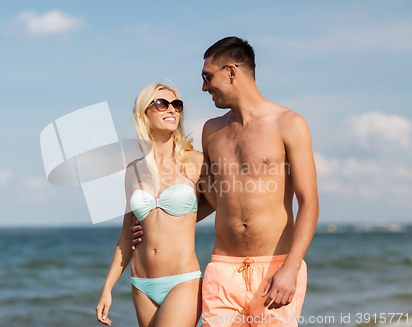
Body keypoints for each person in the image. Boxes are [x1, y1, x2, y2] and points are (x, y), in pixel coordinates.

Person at [131, 37, 319, 326]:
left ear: (232, 72)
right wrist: (158, 222)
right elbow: (210, 198)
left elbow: (309, 202)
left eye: (208, 77)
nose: (204, 87)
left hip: (276, 265)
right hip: (222, 268)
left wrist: (291, 268)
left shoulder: (289, 123)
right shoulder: (212, 131)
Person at [96, 82, 210, 327]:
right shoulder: (133, 170)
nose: (171, 110)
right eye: (161, 103)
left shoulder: (195, 162)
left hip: (182, 280)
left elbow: (223, 205)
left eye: (176, 105)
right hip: (141, 283)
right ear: (144, 113)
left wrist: (187, 216)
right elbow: (126, 236)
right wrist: (108, 288)